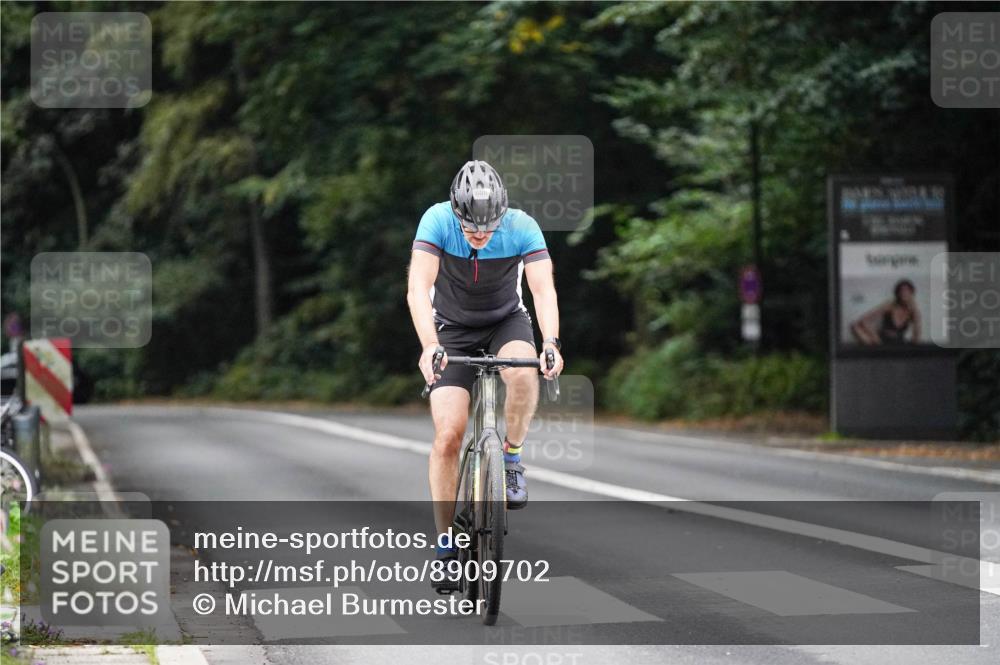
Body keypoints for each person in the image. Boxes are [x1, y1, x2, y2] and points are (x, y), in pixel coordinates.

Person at [406, 160, 563, 579]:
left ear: (502, 213)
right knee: (448, 437)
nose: (480, 234)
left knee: (524, 373)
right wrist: (430, 345)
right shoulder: (436, 220)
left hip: (505, 321)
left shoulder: (522, 226)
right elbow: (418, 288)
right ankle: (445, 546)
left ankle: (511, 458)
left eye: (488, 227)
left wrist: (550, 342)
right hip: (450, 329)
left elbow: (542, 290)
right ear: (455, 212)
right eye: (470, 227)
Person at [850, 278, 922, 345]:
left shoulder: (914, 311)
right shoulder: (889, 306)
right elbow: (863, 320)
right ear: (897, 293)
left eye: (907, 290)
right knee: (854, 326)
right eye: (901, 290)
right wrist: (874, 336)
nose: (904, 293)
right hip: (881, 341)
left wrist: (915, 311)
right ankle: (876, 349)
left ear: (912, 293)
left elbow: (916, 337)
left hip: (899, 343)